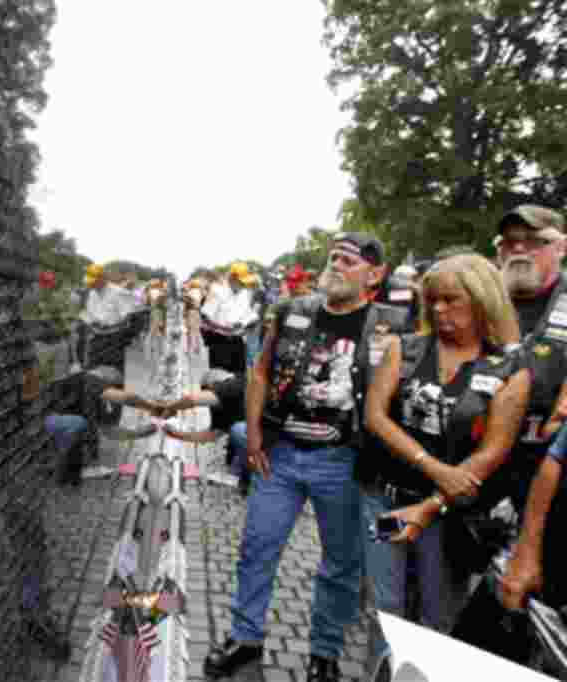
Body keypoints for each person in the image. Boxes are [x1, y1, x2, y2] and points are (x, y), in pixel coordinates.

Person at [204, 233, 407, 682]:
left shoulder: (387, 327)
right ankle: (245, 637)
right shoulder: (291, 311)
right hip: (281, 456)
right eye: (333, 257)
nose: (335, 265)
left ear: (374, 275)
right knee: (257, 547)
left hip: (343, 463)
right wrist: (254, 433)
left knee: (341, 563)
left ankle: (324, 654)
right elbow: (260, 372)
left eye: (349, 261)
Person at [359, 254, 529, 676]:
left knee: (439, 620)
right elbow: (376, 417)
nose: (438, 310)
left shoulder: (509, 368)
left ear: (482, 300)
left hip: (448, 516)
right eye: (432, 300)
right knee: (386, 608)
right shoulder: (407, 347)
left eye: (451, 300)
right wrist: (435, 468)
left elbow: (493, 452)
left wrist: (432, 503)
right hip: (385, 502)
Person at [449, 205, 567, 665]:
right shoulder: (470, 301)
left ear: (560, 246)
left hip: (543, 480)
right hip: (465, 474)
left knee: (517, 606)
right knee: (446, 584)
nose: (518, 249)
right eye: (508, 242)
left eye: (532, 240)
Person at [200, 263, 259, 374]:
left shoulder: (244, 294)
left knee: (239, 379)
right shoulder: (218, 292)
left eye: (244, 283)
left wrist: (246, 325)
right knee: (220, 379)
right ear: (232, 278)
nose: (243, 285)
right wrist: (223, 328)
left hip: (238, 342)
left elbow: (250, 315)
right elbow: (205, 317)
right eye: (241, 282)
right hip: (220, 343)